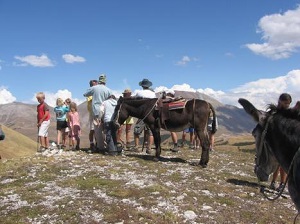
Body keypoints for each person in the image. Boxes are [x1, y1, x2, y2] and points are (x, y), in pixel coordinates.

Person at [83, 74, 113, 152]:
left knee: (98, 129)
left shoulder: (94, 88)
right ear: (105, 81)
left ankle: (100, 147)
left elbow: (85, 94)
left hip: (96, 111)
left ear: (99, 80)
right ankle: (108, 146)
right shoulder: (108, 90)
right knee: (105, 129)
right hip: (105, 110)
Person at [269, 93, 292, 191]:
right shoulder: (273, 112)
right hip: (275, 141)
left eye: (288, 103)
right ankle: (273, 182)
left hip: (286, 141)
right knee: (276, 163)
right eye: (285, 103)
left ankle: (282, 183)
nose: (287, 105)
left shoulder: (289, 113)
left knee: (283, 164)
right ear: (280, 101)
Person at [132, 78, 156, 154]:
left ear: (142, 85)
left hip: (142, 115)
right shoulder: (153, 94)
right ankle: (149, 148)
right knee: (151, 132)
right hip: (151, 114)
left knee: (136, 131)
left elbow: (135, 101)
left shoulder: (139, 93)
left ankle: (136, 147)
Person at [86, 80, 98, 151]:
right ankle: (91, 144)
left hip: (98, 113)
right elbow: (91, 100)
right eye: (94, 85)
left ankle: (98, 143)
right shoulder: (89, 93)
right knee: (92, 129)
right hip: (92, 113)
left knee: (98, 129)